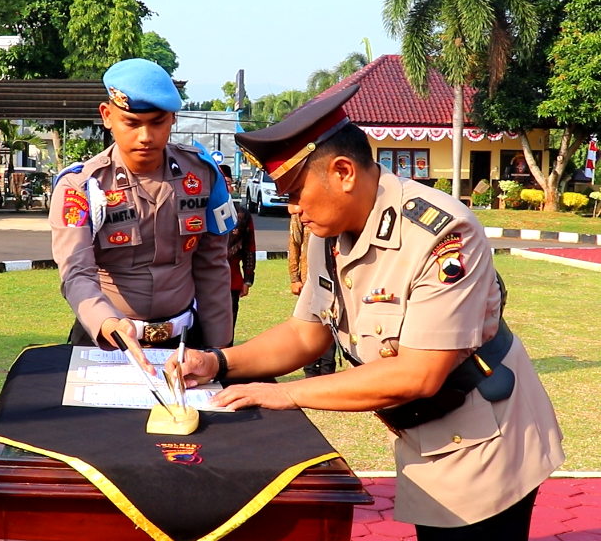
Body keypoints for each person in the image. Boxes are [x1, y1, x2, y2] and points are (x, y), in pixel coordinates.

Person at [171, 84, 564, 540]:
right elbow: (307, 334)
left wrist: (288, 395)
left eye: (296, 192)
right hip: (427, 433)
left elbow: (418, 374)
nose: (293, 211)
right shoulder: (329, 233)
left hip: (486, 439)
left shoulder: (441, 233)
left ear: (342, 173)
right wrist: (218, 362)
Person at [49, 58, 236, 356]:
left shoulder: (203, 175)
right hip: (108, 341)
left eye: (157, 122)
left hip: (187, 342)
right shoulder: (82, 186)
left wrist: (218, 349)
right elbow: (76, 272)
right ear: (107, 116)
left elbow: (213, 264)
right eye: (132, 123)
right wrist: (108, 323)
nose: (146, 137)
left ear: (173, 118)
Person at [289, 213, 335, 377]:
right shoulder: (299, 214)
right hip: (309, 279)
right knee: (309, 327)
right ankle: (310, 375)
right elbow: (294, 244)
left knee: (329, 333)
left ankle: (326, 374)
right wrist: (294, 277)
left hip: (331, 281)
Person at [219, 164, 255, 336]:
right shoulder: (200, 212)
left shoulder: (242, 214)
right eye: (218, 181)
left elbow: (249, 247)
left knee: (227, 331)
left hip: (232, 281)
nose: (224, 186)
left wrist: (248, 279)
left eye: (227, 182)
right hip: (200, 284)